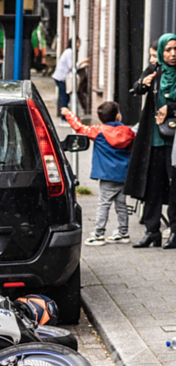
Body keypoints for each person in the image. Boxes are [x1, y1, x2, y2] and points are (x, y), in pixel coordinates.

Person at [125, 33, 176, 248]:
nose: (173, 54)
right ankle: (151, 230)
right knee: (152, 184)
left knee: (175, 185)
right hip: (154, 138)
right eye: (168, 50)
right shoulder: (156, 70)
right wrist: (143, 83)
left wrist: (171, 108)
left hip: (174, 141)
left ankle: (174, 229)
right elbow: (136, 89)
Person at [62, 102, 135, 246]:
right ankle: (123, 232)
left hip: (107, 175)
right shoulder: (128, 132)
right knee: (121, 205)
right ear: (118, 116)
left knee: (103, 205)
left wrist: (68, 114)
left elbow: (79, 128)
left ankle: (98, 234)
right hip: (124, 174)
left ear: (100, 118)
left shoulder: (98, 131)